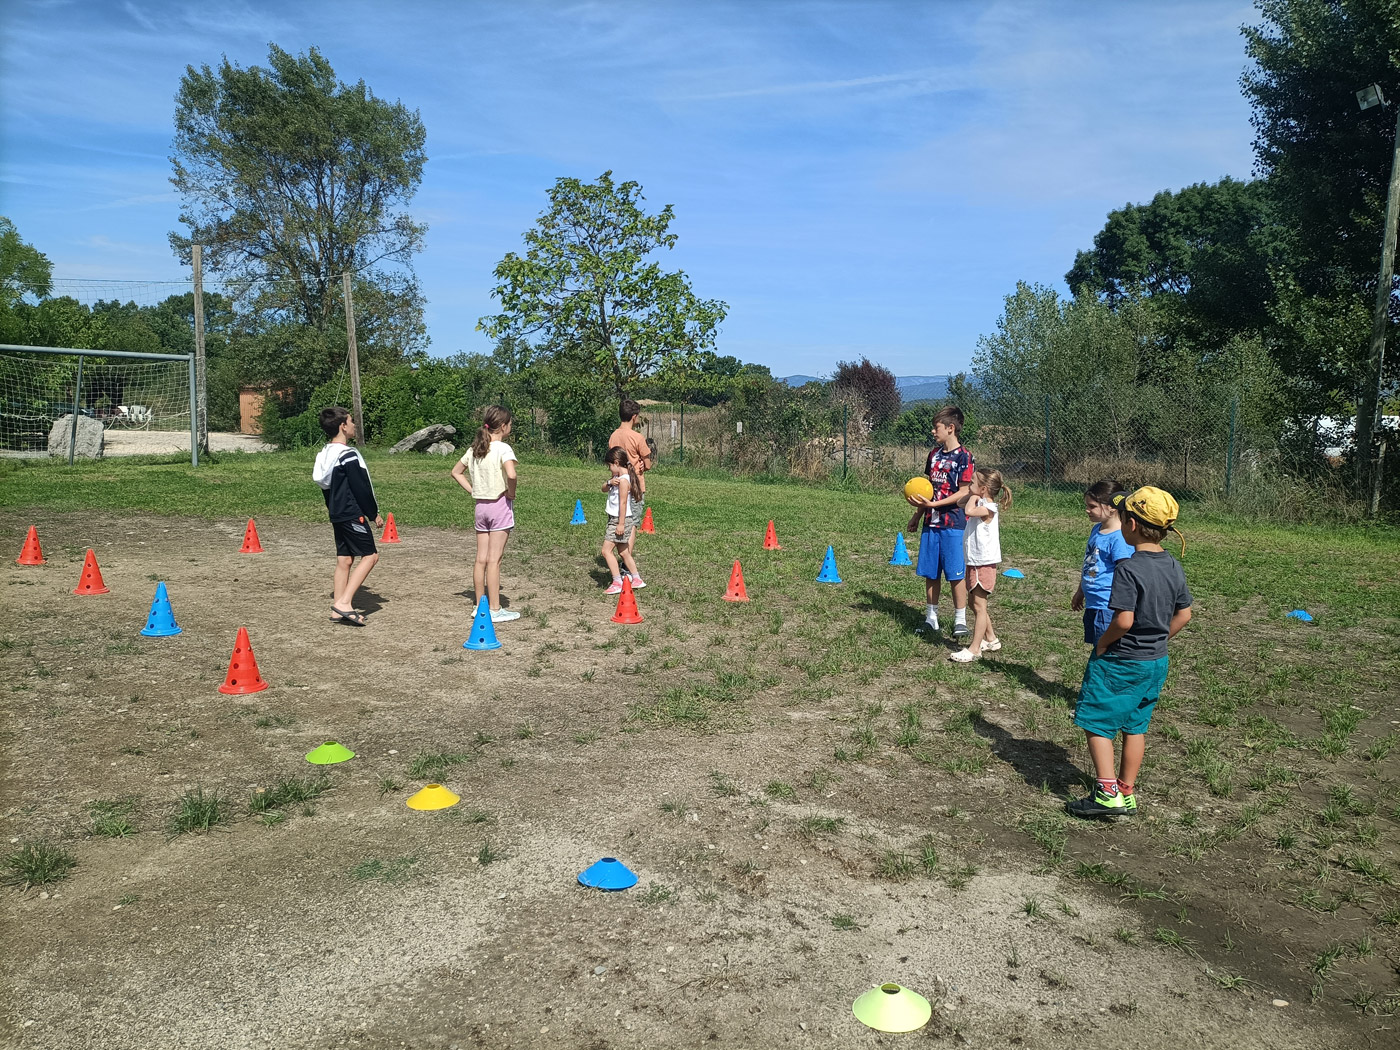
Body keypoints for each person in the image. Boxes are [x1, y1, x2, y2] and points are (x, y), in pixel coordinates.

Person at [1067, 486, 1192, 820]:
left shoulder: (1129, 568)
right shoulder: (1172, 564)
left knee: (1096, 720)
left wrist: (1105, 643)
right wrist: (1160, 640)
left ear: (1131, 525)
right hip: (1156, 661)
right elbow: (1184, 614)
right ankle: (1126, 790)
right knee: (1136, 725)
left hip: (1121, 661)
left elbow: (1123, 620)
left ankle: (1107, 793)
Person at [905, 405, 975, 639]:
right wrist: (917, 514)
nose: (933, 432)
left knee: (955, 574)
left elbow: (964, 492)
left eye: (936, 428)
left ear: (950, 428)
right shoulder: (933, 455)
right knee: (931, 572)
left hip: (954, 524)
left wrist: (936, 505)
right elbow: (929, 489)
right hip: (930, 524)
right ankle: (931, 618)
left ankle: (960, 620)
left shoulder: (965, 457)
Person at [312, 407, 382, 627]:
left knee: (345, 560)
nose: (354, 425)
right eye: (351, 421)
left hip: (337, 513)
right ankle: (344, 604)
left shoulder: (325, 454)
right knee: (370, 556)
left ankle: (337, 609)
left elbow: (326, 488)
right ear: (342, 426)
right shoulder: (348, 455)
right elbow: (361, 488)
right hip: (352, 513)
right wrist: (373, 514)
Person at [451, 406, 520, 623]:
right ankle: (495, 609)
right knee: (494, 560)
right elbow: (511, 474)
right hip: (499, 506)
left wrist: (474, 490)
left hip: (480, 508)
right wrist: (511, 492)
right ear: (503, 426)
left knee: (481, 559)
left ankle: (479, 606)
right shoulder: (503, 449)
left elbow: (455, 472)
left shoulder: (475, 449)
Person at [949, 468, 1012, 662]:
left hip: (983, 563)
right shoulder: (979, 500)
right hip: (974, 561)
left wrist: (973, 496)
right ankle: (991, 639)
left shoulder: (989, 508)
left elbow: (967, 510)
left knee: (979, 604)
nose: (969, 486)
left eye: (972, 483)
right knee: (974, 603)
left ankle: (975, 648)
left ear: (983, 488)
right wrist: (972, 494)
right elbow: (960, 503)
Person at [1072, 479, 1134, 648]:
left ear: (1112, 507)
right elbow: (1091, 564)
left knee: (1105, 650)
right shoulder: (1096, 530)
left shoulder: (1120, 538)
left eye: (1092, 506)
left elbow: (1126, 574)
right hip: (1093, 604)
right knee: (1098, 646)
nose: (1087, 510)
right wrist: (1081, 591)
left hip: (1108, 607)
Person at [608, 399, 652, 579]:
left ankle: (621, 557)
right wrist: (642, 465)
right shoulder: (637, 437)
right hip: (634, 486)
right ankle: (626, 563)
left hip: (617, 485)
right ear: (634, 417)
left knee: (618, 519)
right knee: (632, 523)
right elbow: (648, 463)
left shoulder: (613, 436)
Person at [600, 446, 643, 594]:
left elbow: (623, 503)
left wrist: (621, 524)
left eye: (610, 466)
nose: (609, 469)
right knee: (624, 551)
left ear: (617, 462)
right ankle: (636, 579)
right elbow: (603, 488)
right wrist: (610, 482)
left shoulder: (624, 481)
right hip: (619, 519)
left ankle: (617, 581)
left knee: (606, 551)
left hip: (619, 520)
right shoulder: (617, 479)